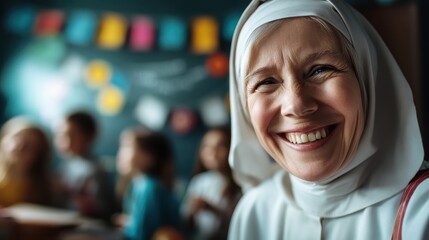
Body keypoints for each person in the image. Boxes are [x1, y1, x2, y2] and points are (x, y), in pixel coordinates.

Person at [227, 0, 429, 239]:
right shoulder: (254, 212)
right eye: (266, 82)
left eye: (320, 69)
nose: (297, 105)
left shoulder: (421, 212)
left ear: (366, 79)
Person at [115, 130, 182, 240]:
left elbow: (142, 235)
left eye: (128, 147)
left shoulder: (148, 187)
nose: (121, 154)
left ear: (150, 157)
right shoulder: (139, 184)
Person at [53, 110, 115, 223]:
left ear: (89, 137)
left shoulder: (94, 170)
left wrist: (70, 193)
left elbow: (102, 210)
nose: (64, 141)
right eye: (60, 135)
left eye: (71, 135)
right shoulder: (67, 164)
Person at [181, 126, 241, 240]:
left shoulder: (240, 183)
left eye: (220, 146)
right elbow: (186, 222)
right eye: (206, 147)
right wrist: (191, 213)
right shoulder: (198, 182)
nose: (212, 152)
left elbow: (237, 223)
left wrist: (210, 208)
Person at [0, 116, 52, 207]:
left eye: (29, 145)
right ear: (3, 139)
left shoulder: (42, 188)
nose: (20, 146)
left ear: (38, 154)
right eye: (16, 138)